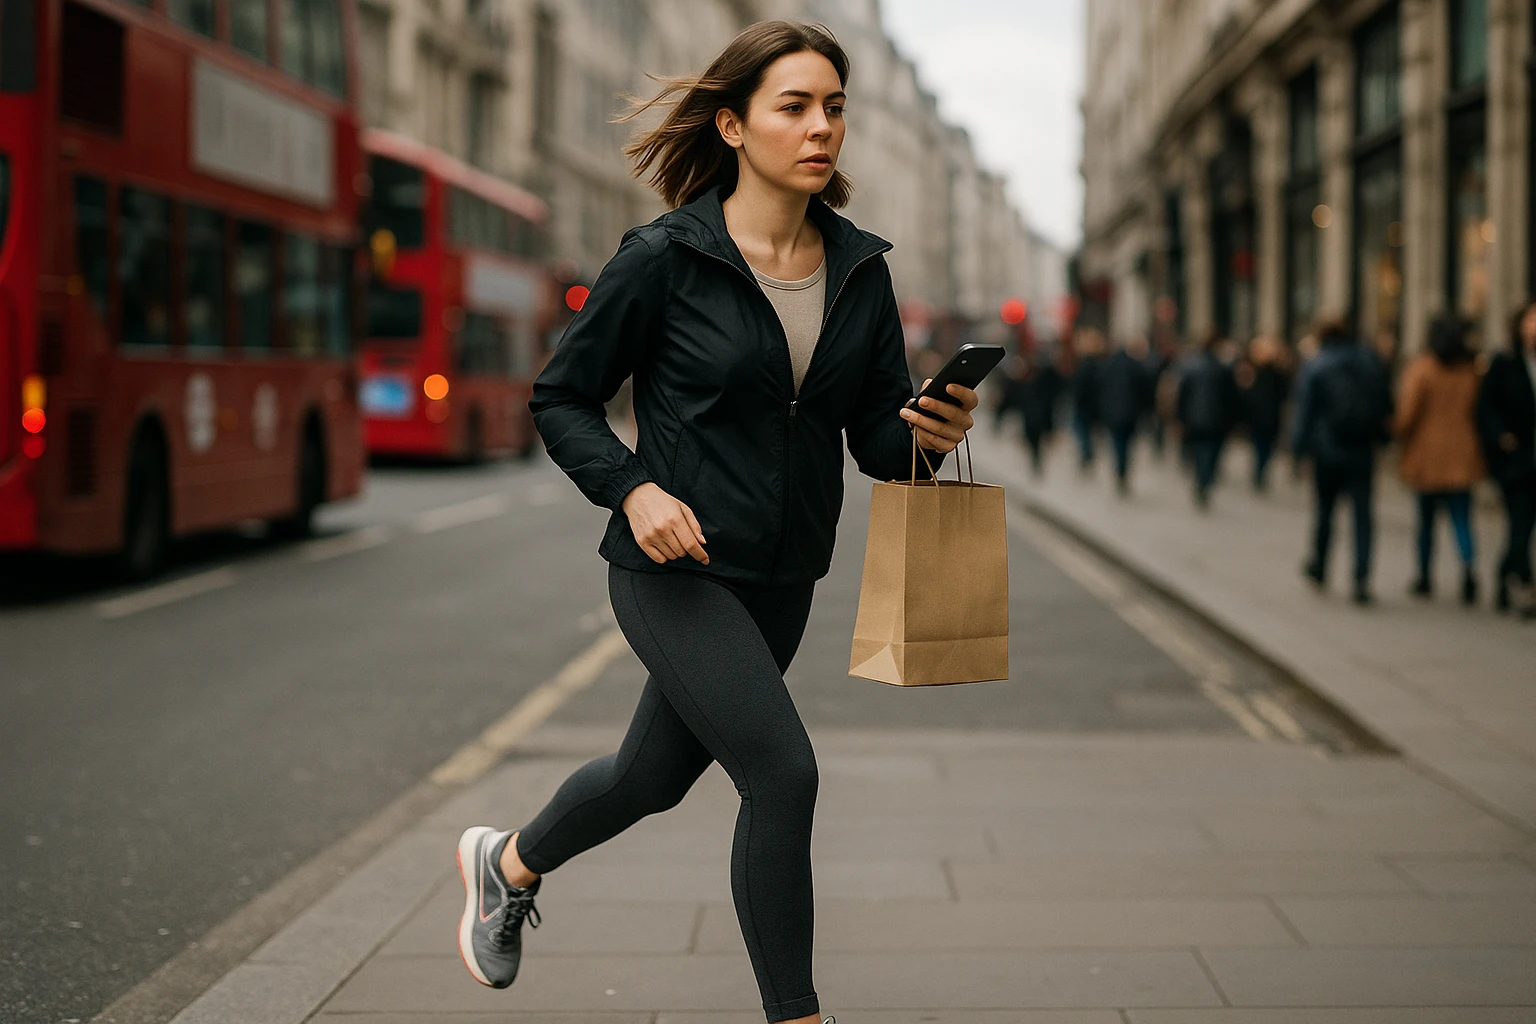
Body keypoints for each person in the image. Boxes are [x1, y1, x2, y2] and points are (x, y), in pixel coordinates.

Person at [454, 23, 978, 1024]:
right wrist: (633, 489)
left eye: (834, 106)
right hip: (672, 564)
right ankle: (798, 1015)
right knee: (783, 773)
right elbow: (562, 396)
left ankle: (506, 860)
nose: (822, 126)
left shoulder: (860, 272)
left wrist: (933, 431)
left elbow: (877, 443)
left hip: (784, 574)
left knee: (650, 777)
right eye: (795, 106)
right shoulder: (664, 258)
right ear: (734, 125)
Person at [1290, 319, 1393, 605]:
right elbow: (1385, 404)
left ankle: (1320, 567)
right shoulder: (1370, 361)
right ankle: (1361, 577)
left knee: (1325, 513)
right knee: (1363, 516)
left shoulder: (1316, 364)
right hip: (1361, 451)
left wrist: (1299, 452)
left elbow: (1305, 411)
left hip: (1327, 451)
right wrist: (1382, 440)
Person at [1395, 317, 1485, 604]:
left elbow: (1407, 413)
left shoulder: (1422, 369)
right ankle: (1468, 570)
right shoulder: (1471, 370)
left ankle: (1424, 576)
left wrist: (1398, 433)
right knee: (1462, 519)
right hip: (1462, 453)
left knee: (1426, 522)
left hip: (1428, 455)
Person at [1478, 301, 1536, 618]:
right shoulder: (1505, 362)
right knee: (1520, 522)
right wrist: (1501, 438)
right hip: (1516, 461)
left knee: (1524, 527)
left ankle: (1504, 577)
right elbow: (1486, 408)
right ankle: (1525, 586)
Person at [1176, 332, 1240, 508]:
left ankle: (1202, 480)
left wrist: (1180, 418)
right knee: (1211, 453)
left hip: (1195, 419)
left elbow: (1182, 395)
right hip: (1216, 420)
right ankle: (1205, 480)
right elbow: (1231, 397)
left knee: (1200, 452)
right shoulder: (1222, 368)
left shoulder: (1190, 367)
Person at [1099, 335, 1152, 494]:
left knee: (1118, 444)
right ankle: (1122, 471)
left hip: (1113, 413)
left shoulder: (1109, 366)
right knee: (1126, 445)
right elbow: (1145, 391)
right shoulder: (1136, 367)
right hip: (1130, 413)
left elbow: (1101, 390)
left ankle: (1120, 471)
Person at [1240, 335, 1290, 492]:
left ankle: (1259, 471)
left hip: (1261, 416)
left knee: (1261, 446)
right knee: (1264, 446)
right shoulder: (1269, 373)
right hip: (1267, 416)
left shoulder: (1263, 374)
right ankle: (1260, 471)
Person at [1070, 327, 1105, 472]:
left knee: (1083, 432)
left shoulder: (1085, 365)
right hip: (1092, 406)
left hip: (1084, 406)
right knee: (1086, 432)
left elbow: (1080, 386)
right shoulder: (1099, 364)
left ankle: (1087, 455)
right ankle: (1087, 455)